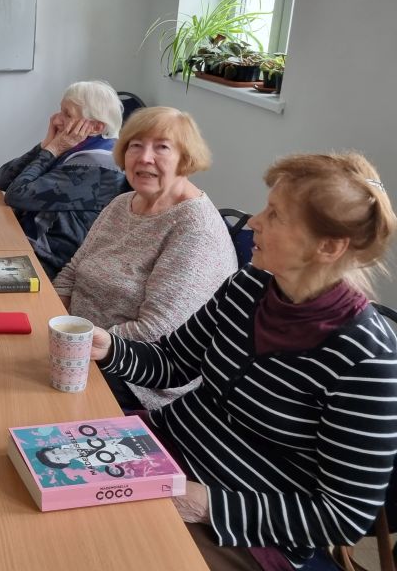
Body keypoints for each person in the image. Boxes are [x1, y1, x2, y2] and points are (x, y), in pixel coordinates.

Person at [90, 152, 397, 570]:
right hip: (161, 451)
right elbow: (172, 362)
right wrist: (108, 346)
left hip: (240, 527)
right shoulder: (248, 286)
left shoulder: (366, 358)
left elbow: (343, 516)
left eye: (276, 215)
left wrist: (207, 505)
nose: (253, 222)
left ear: (328, 246)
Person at [54, 106, 237, 410]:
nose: (144, 158)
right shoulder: (122, 203)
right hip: (78, 345)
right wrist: (54, 322)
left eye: (162, 147)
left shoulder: (195, 229)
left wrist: (74, 343)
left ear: (186, 158)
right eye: (135, 146)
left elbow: (158, 331)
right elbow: (73, 271)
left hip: (135, 377)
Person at [0, 80, 128, 279]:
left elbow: (16, 195)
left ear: (96, 127)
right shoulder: (76, 147)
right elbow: (3, 179)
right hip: (27, 240)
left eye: (67, 114)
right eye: (60, 110)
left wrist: (53, 149)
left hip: (48, 261)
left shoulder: (97, 166)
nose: (56, 120)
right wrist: (46, 145)